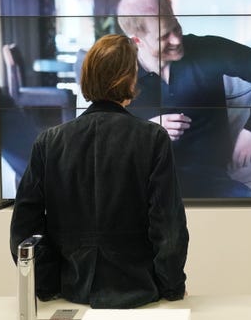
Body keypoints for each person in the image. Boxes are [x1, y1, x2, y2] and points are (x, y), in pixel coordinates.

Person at [10, 34, 189, 309]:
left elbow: (25, 227)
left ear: (87, 78)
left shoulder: (49, 141)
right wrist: (172, 289)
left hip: (70, 292)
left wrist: (47, 286)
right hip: (139, 295)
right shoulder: (152, 138)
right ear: (130, 79)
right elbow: (169, 227)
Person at [117, 0, 251, 198]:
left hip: (213, 184)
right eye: (164, 36)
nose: (177, 40)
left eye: (176, 27)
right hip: (148, 189)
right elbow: (104, 138)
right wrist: (147, 131)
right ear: (137, 41)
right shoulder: (120, 75)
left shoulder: (207, 50)